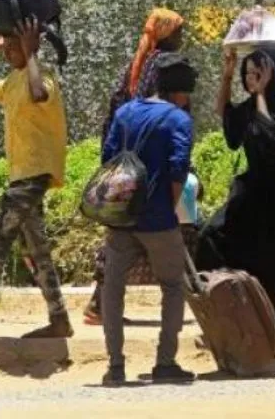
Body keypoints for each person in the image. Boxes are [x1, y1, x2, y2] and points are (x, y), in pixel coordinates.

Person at [0, 20, 72, 339]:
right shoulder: (10, 82)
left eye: (13, 47)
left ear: (31, 47)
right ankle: (59, 318)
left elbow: (38, 93)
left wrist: (32, 53)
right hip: (21, 174)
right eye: (7, 48)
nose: (9, 53)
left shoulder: (43, 76)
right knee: (37, 248)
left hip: (35, 173)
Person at [99, 53, 198, 386]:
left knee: (113, 289)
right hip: (157, 219)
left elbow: (108, 158)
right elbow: (178, 169)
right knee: (173, 287)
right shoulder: (178, 119)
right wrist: (167, 209)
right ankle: (165, 363)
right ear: (180, 92)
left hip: (122, 217)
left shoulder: (126, 111)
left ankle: (115, 367)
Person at [85, 8, 185, 323]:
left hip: (124, 161)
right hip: (147, 163)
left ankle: (101, 304)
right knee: (140, 231)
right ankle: (102, 305)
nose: (183, 37)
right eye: (179, 31)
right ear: (167, 34)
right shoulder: (161, 65)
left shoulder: (138, 63)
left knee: (124, 230)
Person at [195, 47, 275, 336]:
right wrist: (227, 77)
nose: (250, 78)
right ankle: (234, 314)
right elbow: (227, 120)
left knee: (273, 261)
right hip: (252, 192)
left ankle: (274, 326)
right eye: (248, 73)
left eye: (258, 73)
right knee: (212, 237)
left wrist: (261, 96)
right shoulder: (248, 106)